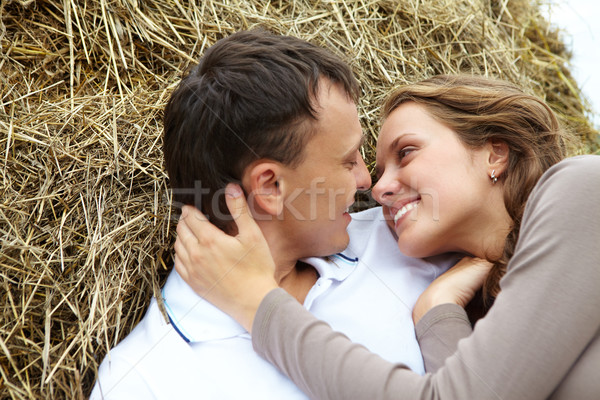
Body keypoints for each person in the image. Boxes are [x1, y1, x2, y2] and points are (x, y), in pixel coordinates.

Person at [91, 30, 466, 399]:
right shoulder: (140, 382)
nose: (367, 180)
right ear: (270, 186)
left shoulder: (407, 245)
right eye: (348, 160)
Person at [174, 74, 600, 399]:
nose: (376, 189)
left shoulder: (580, 190)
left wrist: (258, 303)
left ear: (494, 152)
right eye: (378, 172)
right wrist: (441, 308)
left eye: (406, 152)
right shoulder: (489, 309)